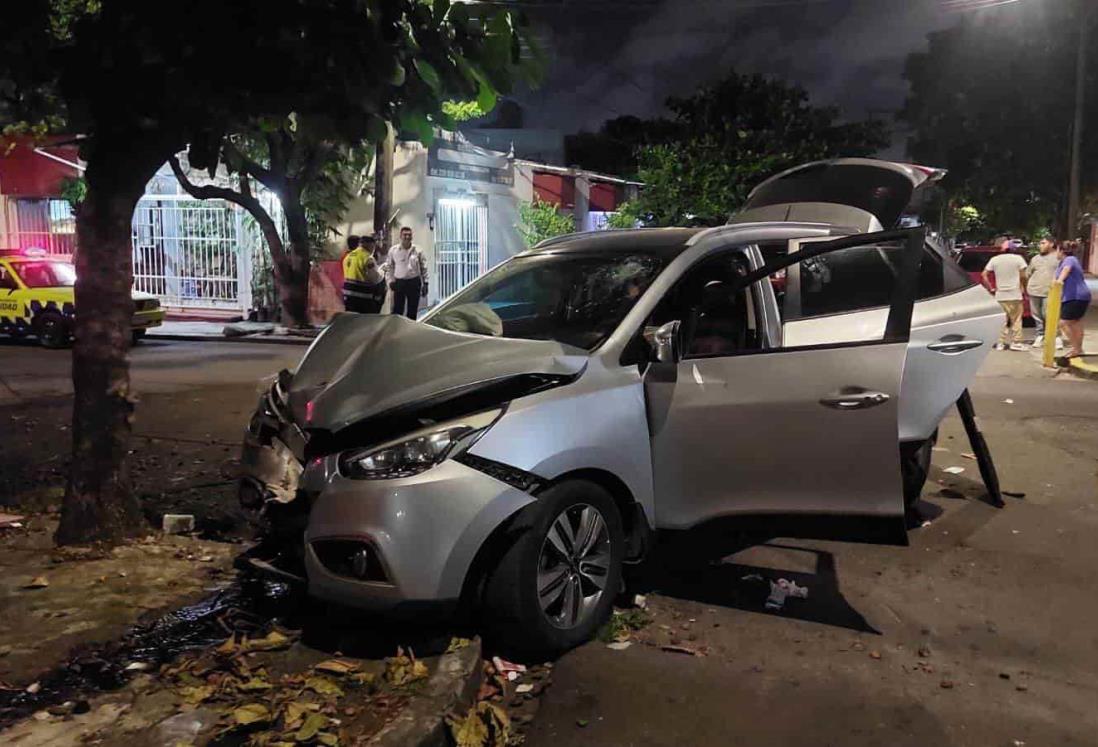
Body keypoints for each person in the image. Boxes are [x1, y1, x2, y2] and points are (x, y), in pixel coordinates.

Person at [982, 237, 1029, 351]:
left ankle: (1000, 343)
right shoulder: (1018, 259)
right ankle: (1016, 342)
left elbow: (984, 275)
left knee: (1002, 320)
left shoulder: (995, 260)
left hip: (1000, 295)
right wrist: (1024, 287)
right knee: (1016, 319)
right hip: (1014, 294)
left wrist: (991, 288)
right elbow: (1023, 276)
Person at [1055, 240, 1092, 360]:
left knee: (1063, 323)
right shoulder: (1064, 262)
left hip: (1075, 296)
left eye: (1057, 250)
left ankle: (1076, 348)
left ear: (1061, 251)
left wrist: (1059, 281)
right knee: (1075, 322)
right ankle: (1078, 348)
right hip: (1077, 296)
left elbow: (1067, 270)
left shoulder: (1069, 260)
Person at [1025, 237, 1061, 349]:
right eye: (1040, 243)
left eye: (1043, 243)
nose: (1040, 245)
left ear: (1051, 244)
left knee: (1050, 315)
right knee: (1037, 315)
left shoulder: (1058, 258)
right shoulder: (1035, 258)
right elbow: (1028, 273)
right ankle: (1040, 335)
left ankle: (1056, 337)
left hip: (1050, 292)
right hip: (1034, 290)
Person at [387, 226, 429, 320]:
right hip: (399, 283)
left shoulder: (418, 250)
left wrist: (426, 283)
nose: (407, 237)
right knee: (397, 310)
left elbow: (424, 268)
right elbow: (389, 267)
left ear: (412, 236)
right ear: (400, 236)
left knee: (412, 310)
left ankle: (410, 331)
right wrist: (390, 281)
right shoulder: (393, 250)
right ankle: (397, 331)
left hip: (414, 282)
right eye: (405, 235)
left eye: (409, 235)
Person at [342, 234, 387, 313]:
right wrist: (382, 271)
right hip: (362, 296)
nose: (374, 249)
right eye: (373, 246)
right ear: (370, 245)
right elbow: (375, 278)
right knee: (365, 321)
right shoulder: (367, 258)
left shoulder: (348, 256)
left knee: (351, 319)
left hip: (348, 294)